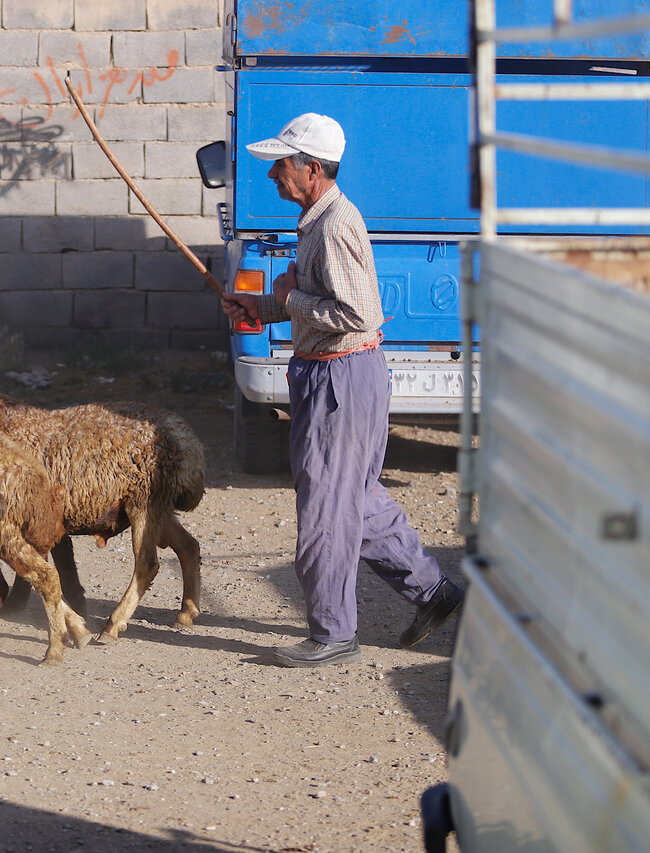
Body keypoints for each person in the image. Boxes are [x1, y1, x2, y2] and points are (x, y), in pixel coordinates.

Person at [221, 112, 464, 667]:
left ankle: (333, 633)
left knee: (327, 505)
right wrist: (260, 306)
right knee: (352, 495)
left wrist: (284, 301)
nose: (272, 175)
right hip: (336, 375)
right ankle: (433, 592)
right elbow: (322, 301)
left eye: (280, 165)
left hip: (339, 377)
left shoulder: (334, 225)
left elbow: (357, 312)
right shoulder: (318, 219)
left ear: (311, 169)